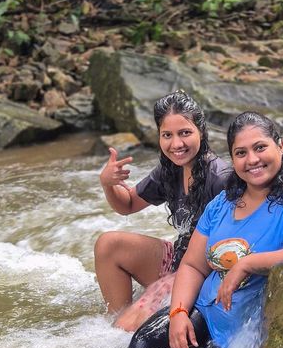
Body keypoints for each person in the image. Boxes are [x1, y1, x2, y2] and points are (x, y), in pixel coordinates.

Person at [129, 111, 283, 348]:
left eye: (260, 148)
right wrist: (178, 313)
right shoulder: (222, 203)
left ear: (280, 147)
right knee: (142, 347)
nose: (252, 159)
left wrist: (248, 264)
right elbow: (193, 266)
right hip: (205, 317)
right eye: (241, 153)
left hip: (251, 337)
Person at [94, 91, 230, 332]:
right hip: (178, 258)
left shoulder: (219, 178)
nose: (176, 144)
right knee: (108, 244)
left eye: (185, 133)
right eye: (167, 135)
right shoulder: (169, 170)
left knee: (129, 327)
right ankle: (115, 320)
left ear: (201, 131)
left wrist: (176, 281)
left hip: (204, 269)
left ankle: (129, 329)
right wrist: (108, 183)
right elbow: (127, 205)